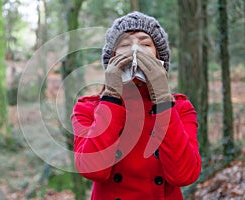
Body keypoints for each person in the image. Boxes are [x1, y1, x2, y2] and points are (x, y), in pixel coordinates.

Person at [71, 11, 201, 200]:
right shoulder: (87, 109)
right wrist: (112, 98)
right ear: (112, 58)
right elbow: (93, 170)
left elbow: (184, 175)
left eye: (145, 44)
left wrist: (163, 99)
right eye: (124, 45)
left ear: (159, 56)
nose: (134, 51)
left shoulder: (181, 109)